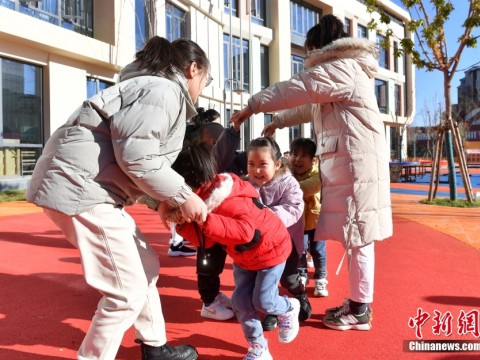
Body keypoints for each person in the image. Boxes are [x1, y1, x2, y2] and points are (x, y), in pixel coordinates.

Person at [26, 36, 212, 360]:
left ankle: (155, 348)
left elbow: (128, 157)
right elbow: (137, 157)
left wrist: (162, 202)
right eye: (205, 80)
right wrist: (183, 195)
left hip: (85, 184)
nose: (203, 88)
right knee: (125, 292)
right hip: (83, 187)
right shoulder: (164, 91)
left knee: (146, 266)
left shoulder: (147, 87)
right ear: (193, 69)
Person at [230, 14, 393, 331]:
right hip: (354, 164)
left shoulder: (340, 68)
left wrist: (254, 104)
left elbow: (300, 87)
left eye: (309, 51)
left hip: (358, 167)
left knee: (359, 237)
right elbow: (308, 105)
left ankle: (360, 309)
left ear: (319, 48)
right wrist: (278, 120)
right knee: (357, 236)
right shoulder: (343, 71)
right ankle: (359, 303)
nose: (308, 58)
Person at [168, 142, 301, 360]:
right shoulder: (204, 200)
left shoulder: (228, 200)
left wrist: (204, 218)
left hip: (271, 252)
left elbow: (245, 232)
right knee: (240, 302)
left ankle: (288, 307)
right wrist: (183, 223)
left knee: (264, 301)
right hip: (244, 257)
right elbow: (207, 241)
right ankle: (258, 347)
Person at [244, 137, 311, 331]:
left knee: (288, 278)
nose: (256, 170)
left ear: (277, 164)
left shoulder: (288, 183)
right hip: (259, 244)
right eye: (251, 164)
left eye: (263, 164)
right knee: (263, 278)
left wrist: (265, 216)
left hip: (285, 242)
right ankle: (273, 310)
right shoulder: (246, 184)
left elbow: (294, 208)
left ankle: (298, 294)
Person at [167, 108, 221, 257]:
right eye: (216, 125)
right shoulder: (197, 142)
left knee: (180, 210)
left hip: (179, 181)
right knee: (183, 209)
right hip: (185, 181)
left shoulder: (191, 133)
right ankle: (176, 243)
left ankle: (177, 241)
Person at [290, 138, 328, 297]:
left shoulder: (318, 174)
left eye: (303, 155)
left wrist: (287, 188)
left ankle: (321, 277)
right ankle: (302, 274)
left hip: (317, 220)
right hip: (298, 223)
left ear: (313, 160)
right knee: (300, 251)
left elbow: (307, 188)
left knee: (318, 251)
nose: (297, 159)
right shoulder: (287, 173)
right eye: (294, 154)